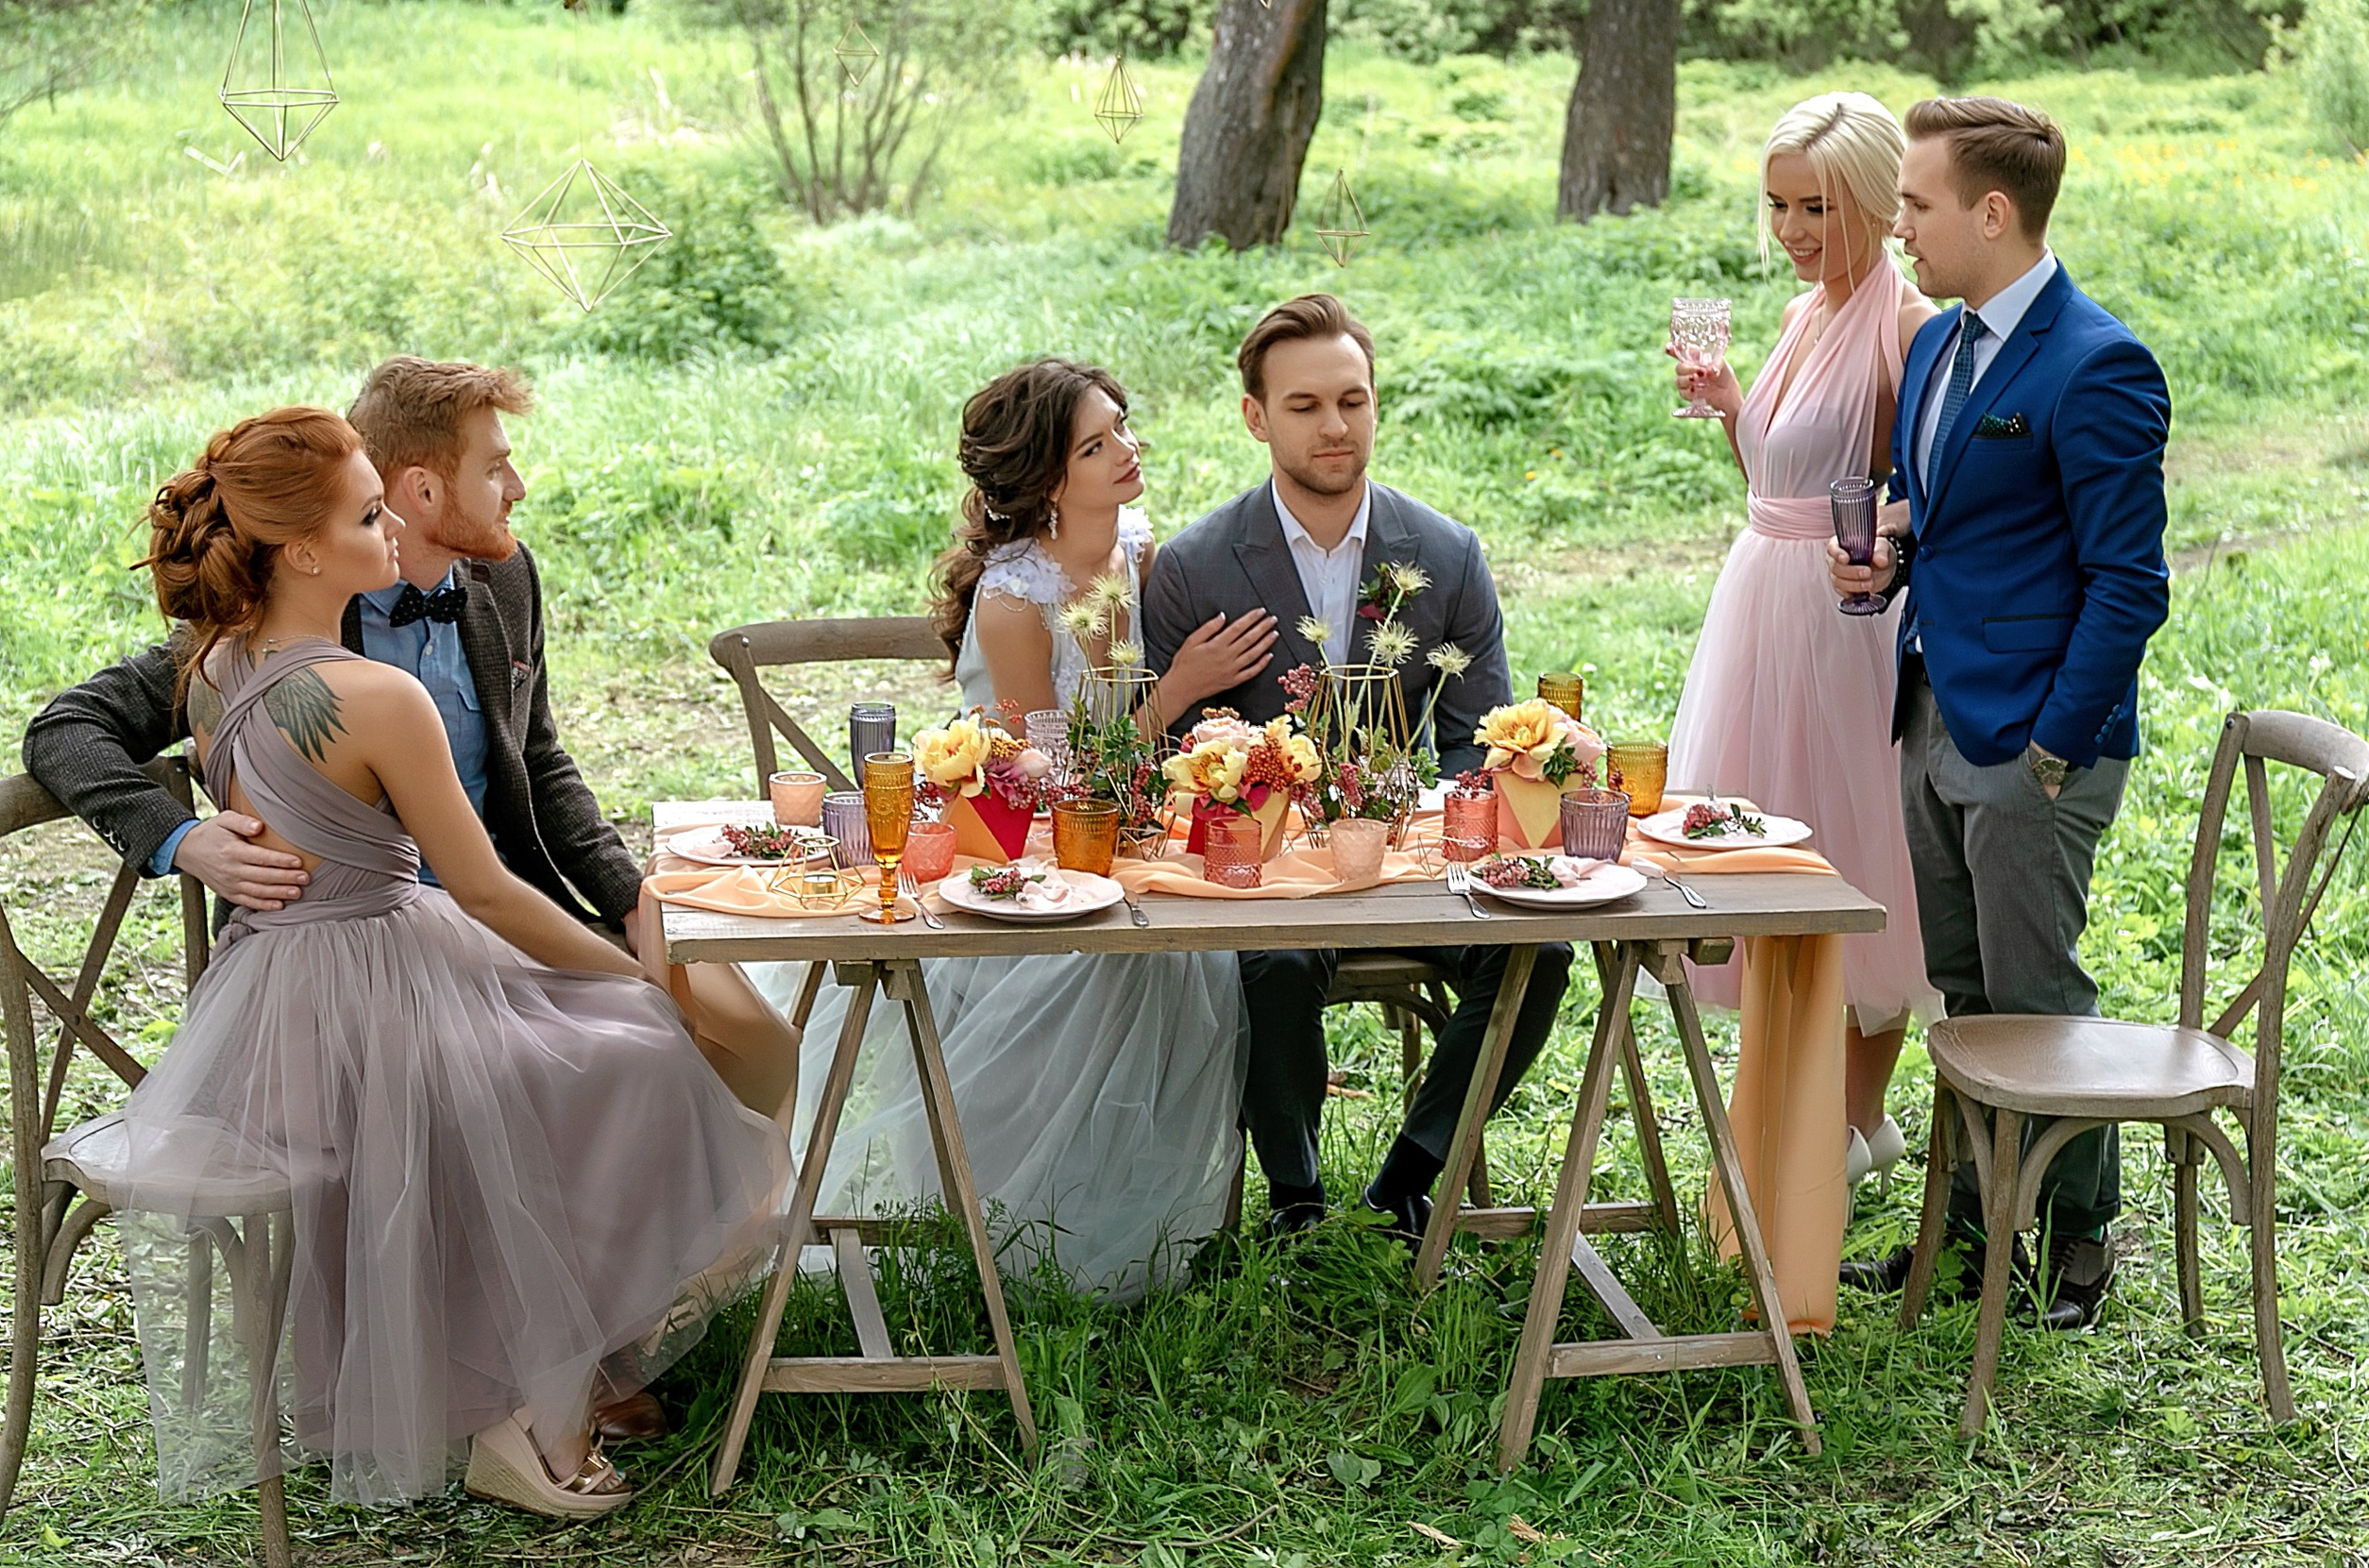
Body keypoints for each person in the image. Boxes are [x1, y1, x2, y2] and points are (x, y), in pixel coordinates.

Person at [106, 407, 790, 1516]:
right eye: (368, 514)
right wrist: (631, 974)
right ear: (308, 551)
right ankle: (537, 1400)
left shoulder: (217, 667)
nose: (388, 528)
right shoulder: (377, 697)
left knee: (573, 1050)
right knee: (631, 1050)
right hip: (376, 984)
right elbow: (481, 891)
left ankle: (540, 1377)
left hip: (273, 1005)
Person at [766, 359, 1269, 1305]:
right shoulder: (1013, 601)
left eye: (1121, 426)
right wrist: (1180, 689)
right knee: (1103, 959)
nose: (1126, 451)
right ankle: (1028, 1244)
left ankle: (1144, 1224)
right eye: (1096, 444)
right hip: (1011, 859)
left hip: (1124, 844)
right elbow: (1048, 783)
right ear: (1045, 480)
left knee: (1184, 943)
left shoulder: (1149, 554)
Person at [1831, 96, 2171, 1328]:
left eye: (1915, 204)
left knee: (2036, 998)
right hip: (1928, 712)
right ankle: (1978, 1237)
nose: (1898, 225)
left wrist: (2053, 747)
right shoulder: (1935, 346)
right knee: (1967, 994)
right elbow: (1943, 511)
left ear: (1991, 210)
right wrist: (1891, 559)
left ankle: (2076, 1243)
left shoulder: (2098, 363)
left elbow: (2130, 584)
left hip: (2033, 738)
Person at [1142, 293, 1573, 1241]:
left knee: (1540, 954)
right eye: (1304, 406)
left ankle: (1410, 1178)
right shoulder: (1193, 566)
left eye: (1353, 399)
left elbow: (1474, 742)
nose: (1334, 426)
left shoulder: (1448, 555)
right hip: (1261, 875)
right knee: (1273, 961)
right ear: (1256, 417)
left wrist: (1448, 807)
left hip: (1410, 857)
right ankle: (1294, 1193)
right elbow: (1170, 767)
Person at [1667, 93, 1943, 1193]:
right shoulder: (1798, 315)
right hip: (1756, 602)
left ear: (1875, 201)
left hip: (1838, 620)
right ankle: (1818, 1105)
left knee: (1848, 844)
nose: (1789, 230)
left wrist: (1880, 534)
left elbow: (1930, 490)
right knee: (1762, 836)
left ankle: (1857, 1112)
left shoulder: (1903, 322)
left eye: (1814, 206)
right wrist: (1736, 406)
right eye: (1776, 205)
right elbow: (1776, 483)